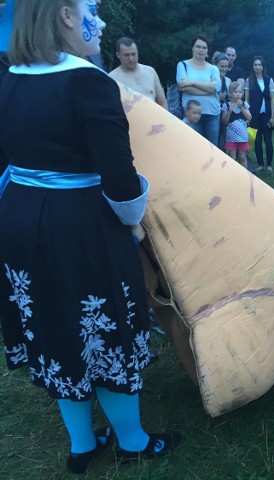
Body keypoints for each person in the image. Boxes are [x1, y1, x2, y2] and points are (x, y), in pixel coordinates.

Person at [0, 0, 181, 474]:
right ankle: (133, 441)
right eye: (89, 9)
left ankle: (82, 445)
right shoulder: (88, 82)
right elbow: (119, 177)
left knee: (54, 326)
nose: (97, 22)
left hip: (18, 220)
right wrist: (134, 220)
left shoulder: (11, 79)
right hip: (78, 224)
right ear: (64, 15)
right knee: (106, 327)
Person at [176, 34, 222, 147]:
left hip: (212, 114)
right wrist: (209, 89)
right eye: (198, 46)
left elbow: (216, 88)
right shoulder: (183, 65)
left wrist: (192, 82)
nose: (201, 50)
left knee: (212, 149)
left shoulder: (213, 68)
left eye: (204, 48)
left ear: (207, 51)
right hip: (191, 114)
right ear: (192, 48)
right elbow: (184, 88)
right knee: (193, 148)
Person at [108, 36, 167, 109]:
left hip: (154, 118)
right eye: (126, 55)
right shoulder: (112, 78)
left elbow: (162, 102)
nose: (131, 59)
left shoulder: (150, 72)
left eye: (133, 54)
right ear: (118, 55)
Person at [245, 56, 274, 172]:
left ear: (263, 66)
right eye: (255, 65)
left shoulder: (269, 80)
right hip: (254, 114)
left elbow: (273, 99)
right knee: (257, 140)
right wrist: (247, 115)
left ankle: (269, 164)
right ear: (252, 67)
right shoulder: (249, 80)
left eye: (259, 65)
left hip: (267, 114)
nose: (257, 67)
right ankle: (260, 163)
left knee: (268, 140)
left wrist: (273, 116)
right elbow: (246, 99)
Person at [221, 81, 251, 169]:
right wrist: (229, 111)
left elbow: (249, 118)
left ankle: (244, 175)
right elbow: (224, 121)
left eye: (240, 92)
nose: (238, 94)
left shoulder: (245, 105)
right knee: (232, 158)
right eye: (235, 92)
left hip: (243, 137)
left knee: (242, 157)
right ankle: (232, 175)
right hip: (231, 138)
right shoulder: (226, 105)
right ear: (230, 93)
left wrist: (241, 108)